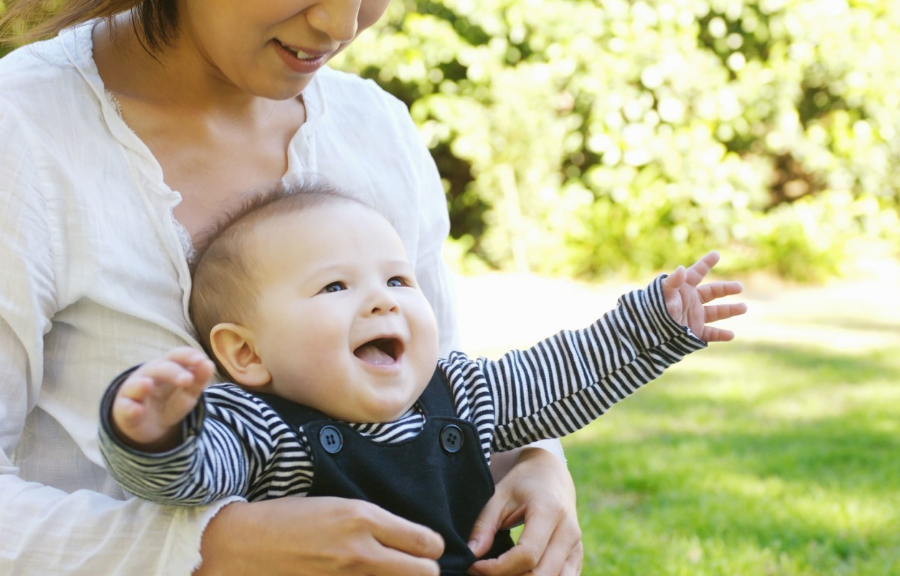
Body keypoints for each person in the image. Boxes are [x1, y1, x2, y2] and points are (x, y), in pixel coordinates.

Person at [0, 1, 586, 575]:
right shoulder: (22, 129)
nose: (342, 22)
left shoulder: (375, 127)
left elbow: (438, 383)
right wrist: (206, 550)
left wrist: (534, 461)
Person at [99, 184, 747, 574]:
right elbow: (188, 478)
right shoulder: (263, 426)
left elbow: (562, 378)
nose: (383, 301)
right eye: (334, 285)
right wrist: (157, 430)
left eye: (398, 280)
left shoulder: (459, 391)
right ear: (246, 355)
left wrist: (653, 325)